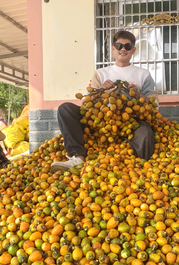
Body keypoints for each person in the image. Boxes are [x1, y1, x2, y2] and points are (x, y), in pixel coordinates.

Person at [51, 30, 158, 173]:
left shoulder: (143, 74)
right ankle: (78, 157)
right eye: (119, 45)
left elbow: (154, 105)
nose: (123, 49)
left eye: (127, 46)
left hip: (131, 122)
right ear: (113, 48)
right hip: (102, 121)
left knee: (145, 133)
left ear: (133, 49)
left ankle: (139, 168)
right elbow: (87, 105)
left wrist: (138, 94)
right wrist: (100, 90)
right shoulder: (101, 74)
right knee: (65, 108)